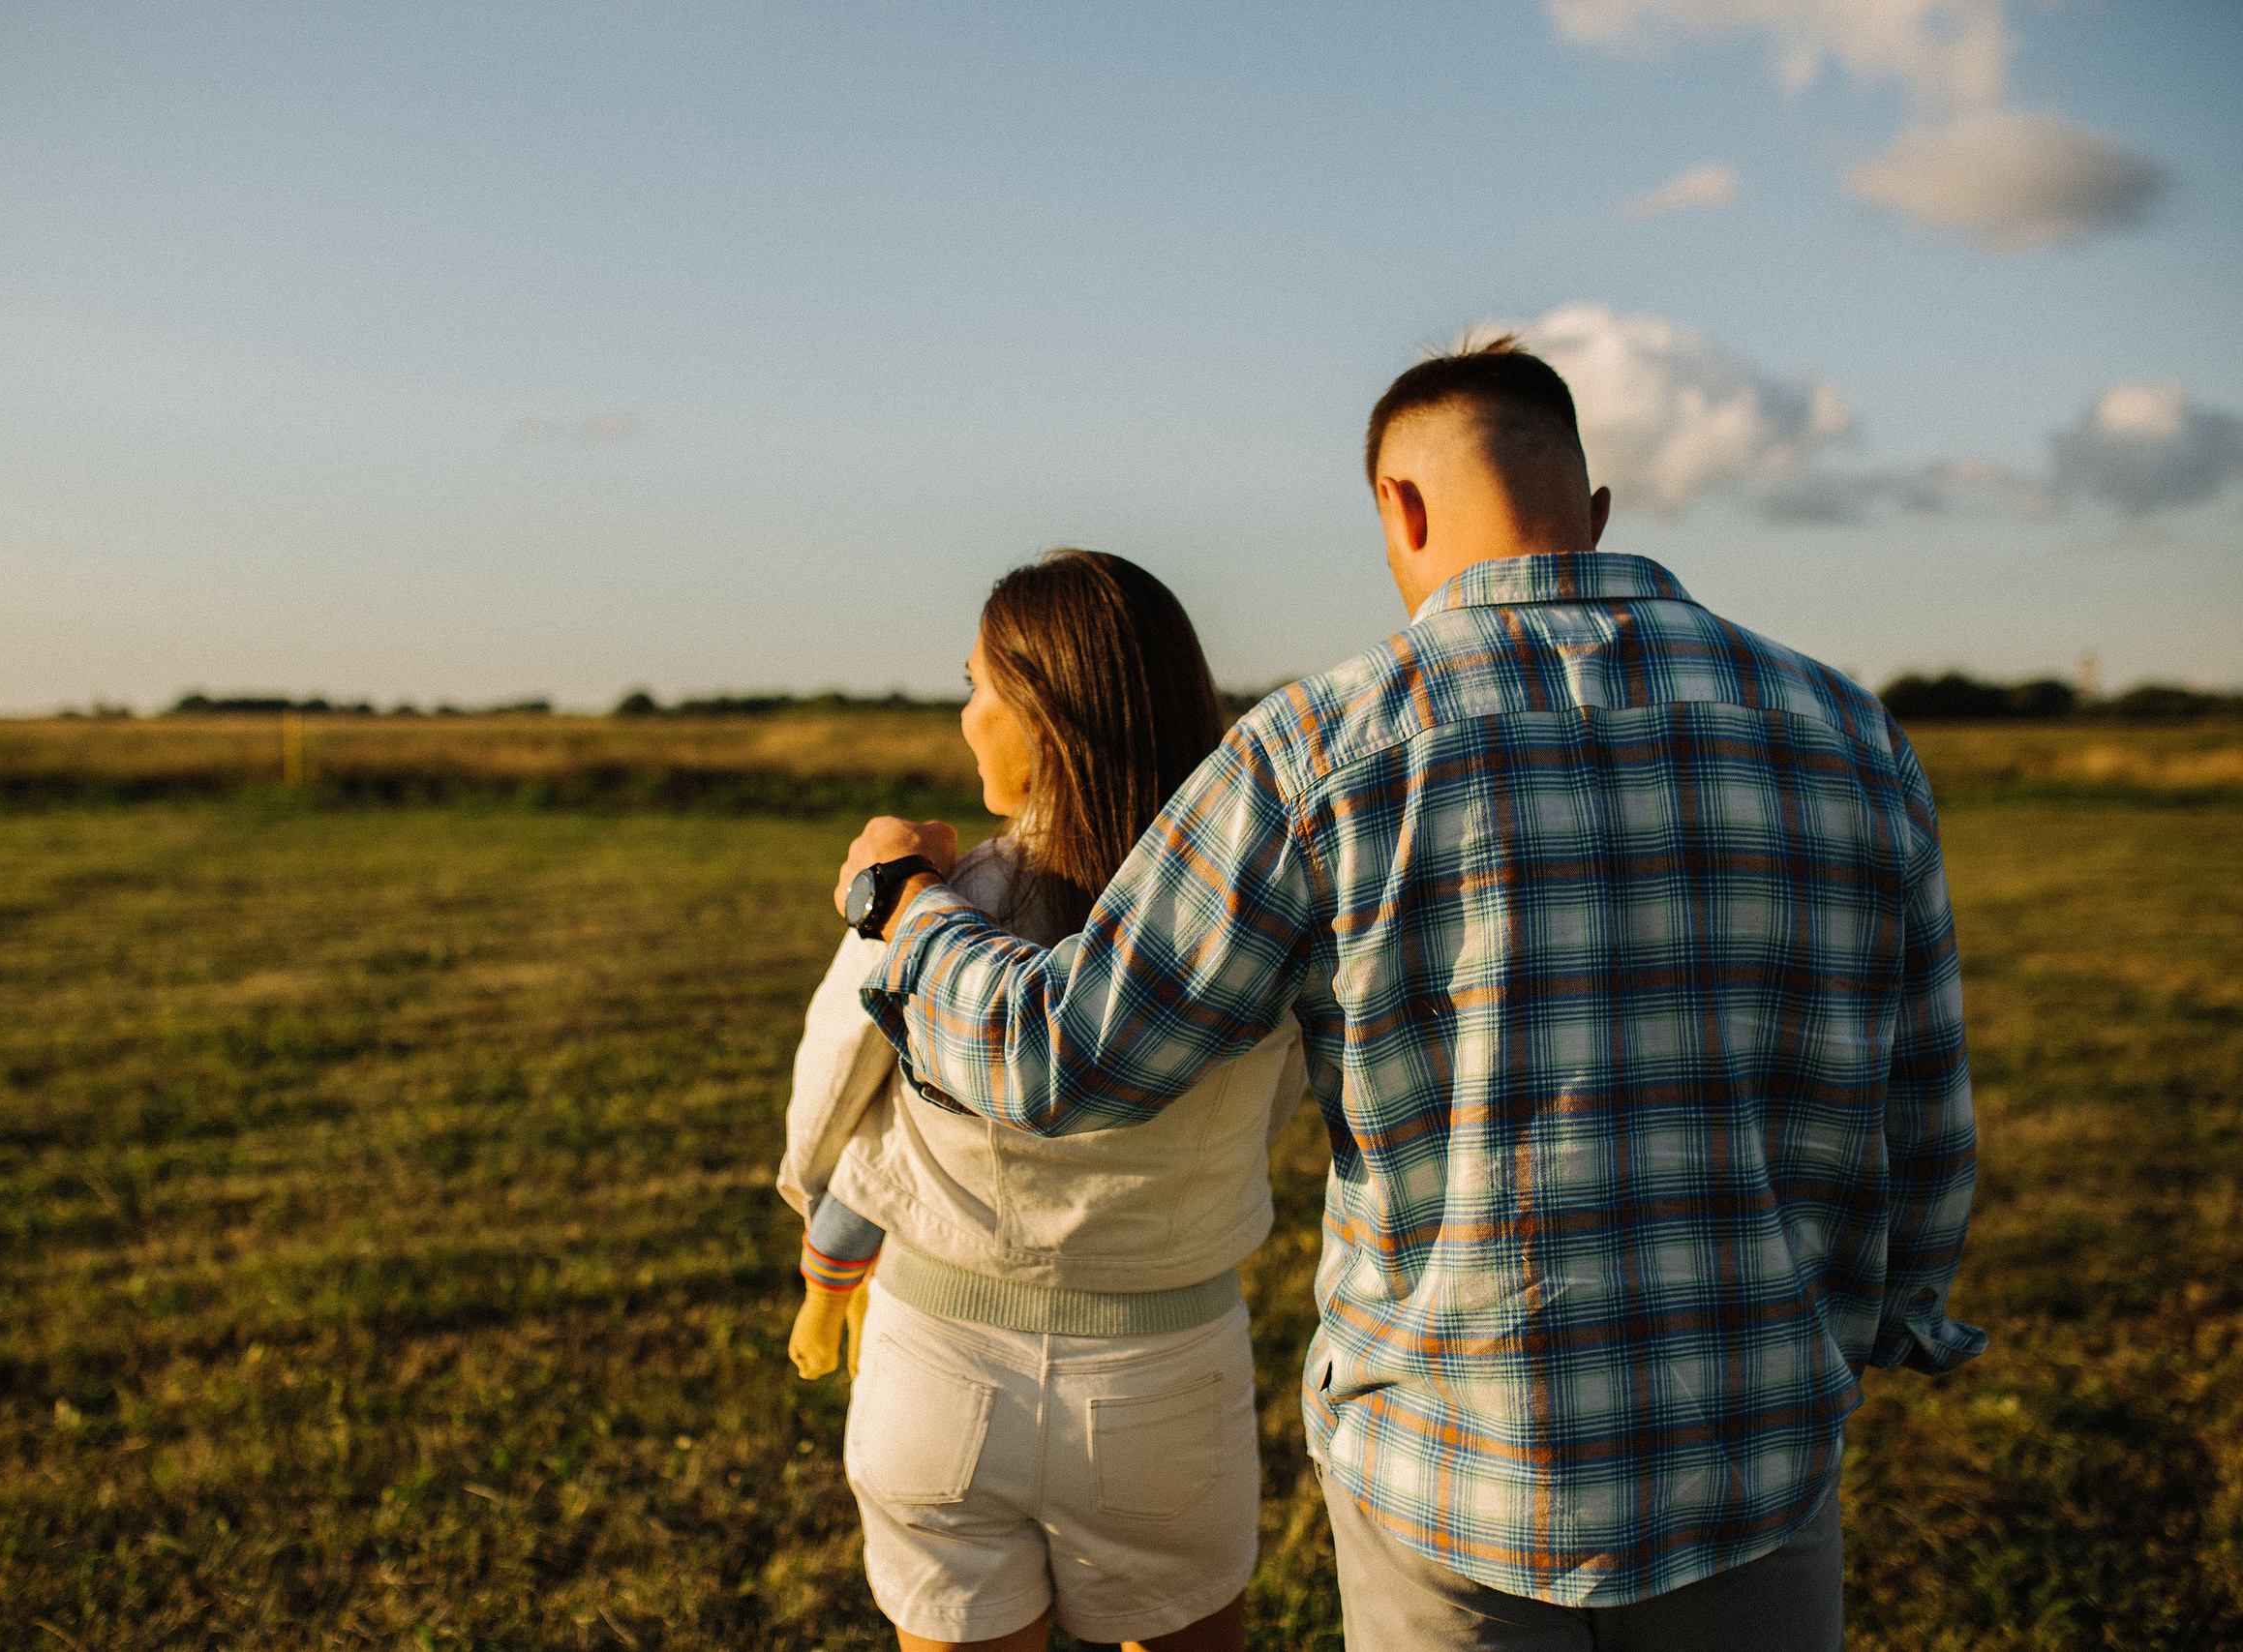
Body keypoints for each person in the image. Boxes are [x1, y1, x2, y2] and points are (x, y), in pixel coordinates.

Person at [834, 338, 1986, 1650]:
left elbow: (1057, 1053)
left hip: (1453, 1483)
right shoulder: (1848, 733)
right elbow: (1923, 1122)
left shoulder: (1320, 745)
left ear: (1402, 507)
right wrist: (1884, 1320)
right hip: (1758, 1459)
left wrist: (906, 907)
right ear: (1594, 510)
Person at [777, 549, 1309, 1652]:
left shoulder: (927, 907)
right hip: (1164, 1366)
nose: (965, 714)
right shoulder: (1255, 922)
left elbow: (830, 1099)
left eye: (976, 685)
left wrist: (817, 1212)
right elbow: (1280, 1101)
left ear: (1038, 711)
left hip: (937, 1359)